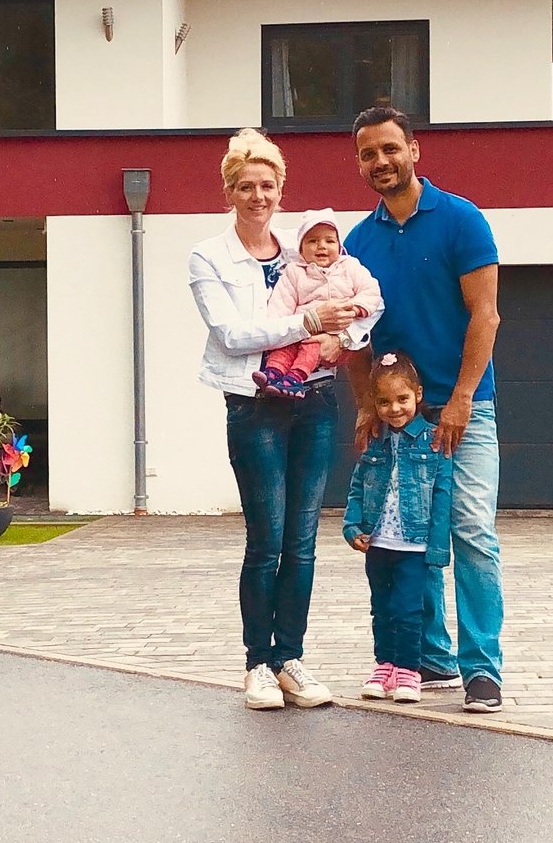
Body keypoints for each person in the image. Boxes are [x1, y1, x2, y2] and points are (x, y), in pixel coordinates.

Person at [188, 128, 366, 710]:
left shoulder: (307, 246)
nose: (258, 196)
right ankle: (257, 665)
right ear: (229, 191)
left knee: (305, 540)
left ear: (281, 190)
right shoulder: (209, 257)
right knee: (266, 540)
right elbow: (233, 335)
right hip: (254, 404)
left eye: (268, 185)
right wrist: (309, 324)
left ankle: (291, 658)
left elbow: (357, 298)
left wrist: (347, 335)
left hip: (314, 402)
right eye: (246, 186)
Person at [343, 106, 506, 714]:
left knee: (470, 533)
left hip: (464, 408)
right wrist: (365, 405)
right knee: (407, 535)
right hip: (397, 416)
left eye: (390, 148)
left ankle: (482, 669)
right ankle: (430, 659)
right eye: (367, 154)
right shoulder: (357, 244)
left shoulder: (463, 221)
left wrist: (462, 398)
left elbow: (484, 315)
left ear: (415, 151)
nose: (380, 161)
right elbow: (357, 336)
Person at [341, 352, 451, 704]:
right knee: (382, 608)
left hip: (414, 548)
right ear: (374, 403)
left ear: (418, 394)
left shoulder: (434, 440)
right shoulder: (375, 440)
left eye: (402, 399)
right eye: (384, 401)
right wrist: (351, 525)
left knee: (407, 609)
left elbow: (442, 496)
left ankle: (409, 671)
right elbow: (358, 486)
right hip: (378, 543)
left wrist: (437, 549)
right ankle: (384, 666)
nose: (395, 409)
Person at [252, 208, 383, 399]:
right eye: (312, 241)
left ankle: (295, 378)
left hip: (334, 333)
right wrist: (282, 330)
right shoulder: (294, 272)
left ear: (339, 245)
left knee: (311, 346)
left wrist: (355, 308)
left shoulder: (350, 267)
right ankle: (273, 373)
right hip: (301, 327)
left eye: (329, 241)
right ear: (301, 248)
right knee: (284, 347)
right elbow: (281, 303)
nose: (321, 246)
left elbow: (372, 291)